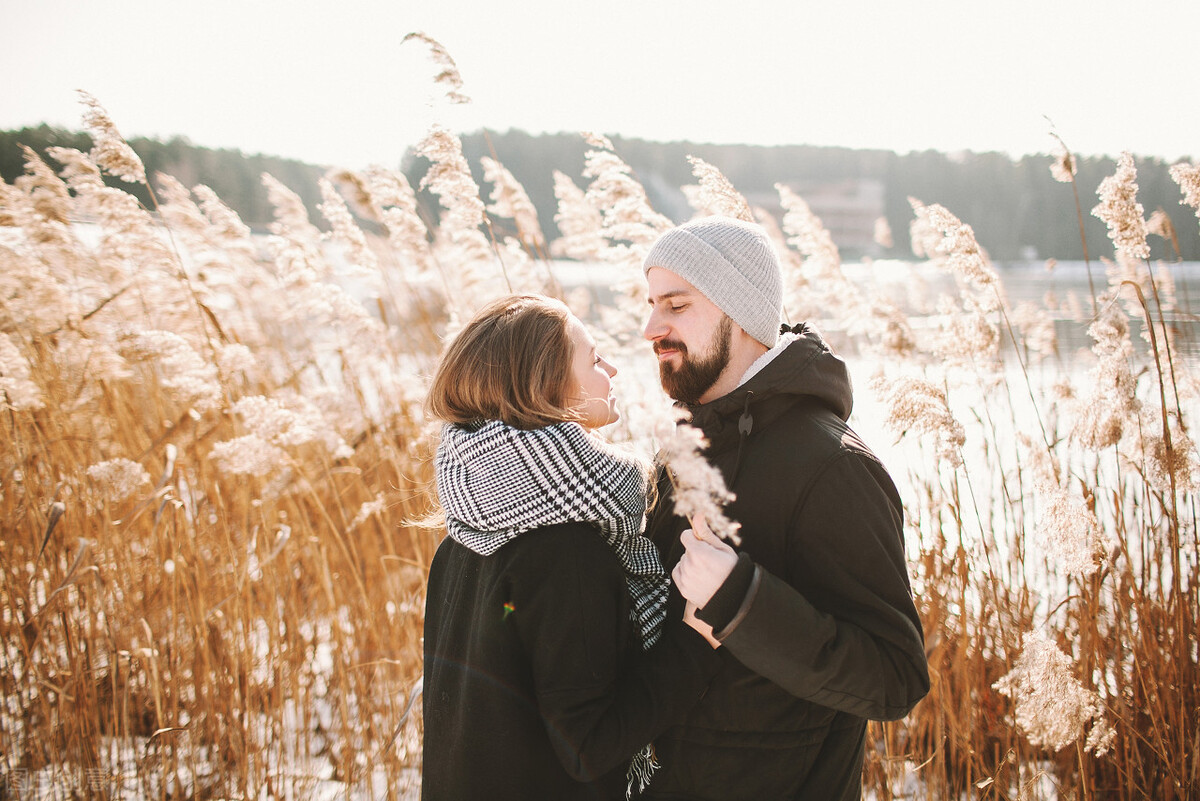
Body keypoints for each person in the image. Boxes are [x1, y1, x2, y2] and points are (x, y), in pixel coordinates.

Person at [638, 216, 930, 800]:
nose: (651, 327)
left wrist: (743, 601)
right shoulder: (686, 446)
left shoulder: (833, 465)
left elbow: (893, 678)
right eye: (650, 304)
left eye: (676, 305)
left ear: (740, 314)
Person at [421, 294, 722, 801]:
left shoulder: (465, 534)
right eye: (593, 358)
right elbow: (588, 745)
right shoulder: (567, 552)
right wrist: (695, 644)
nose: (613, 369)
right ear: (545, 387)